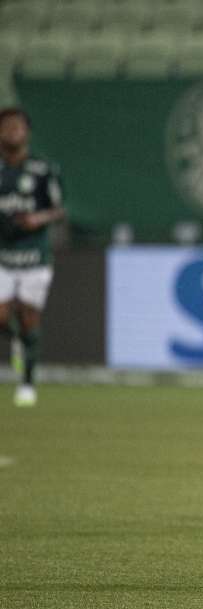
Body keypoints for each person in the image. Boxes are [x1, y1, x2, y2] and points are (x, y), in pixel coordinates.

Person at [0, 107, 65, 407]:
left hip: (34, 256)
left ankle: (27, 382)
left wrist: (36, 220)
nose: (13, 131)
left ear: (27, 132)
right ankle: (14, 341)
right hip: (2, 255)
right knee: (1, 317)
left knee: (29, 319)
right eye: (7, 126)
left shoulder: (41, 169)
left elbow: (58, 209)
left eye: (18, 126)